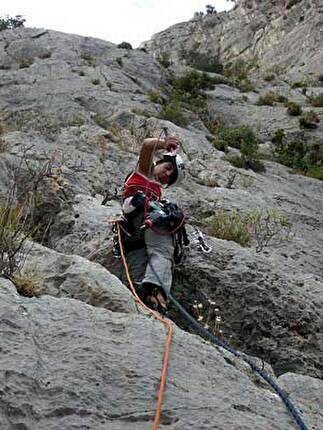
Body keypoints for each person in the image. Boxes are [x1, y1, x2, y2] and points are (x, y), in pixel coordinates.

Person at [122, 135, 185, 310]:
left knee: (140, 270)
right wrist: (165, 144)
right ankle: (155, 288)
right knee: (163, 251)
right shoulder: (144, 172)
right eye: (168, 167)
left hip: (138, 232)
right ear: (160, 162)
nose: (167, 174)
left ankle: (147, 297)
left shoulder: (157, 189)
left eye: (170, 177)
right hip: (142, 219)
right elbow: (147, 146)